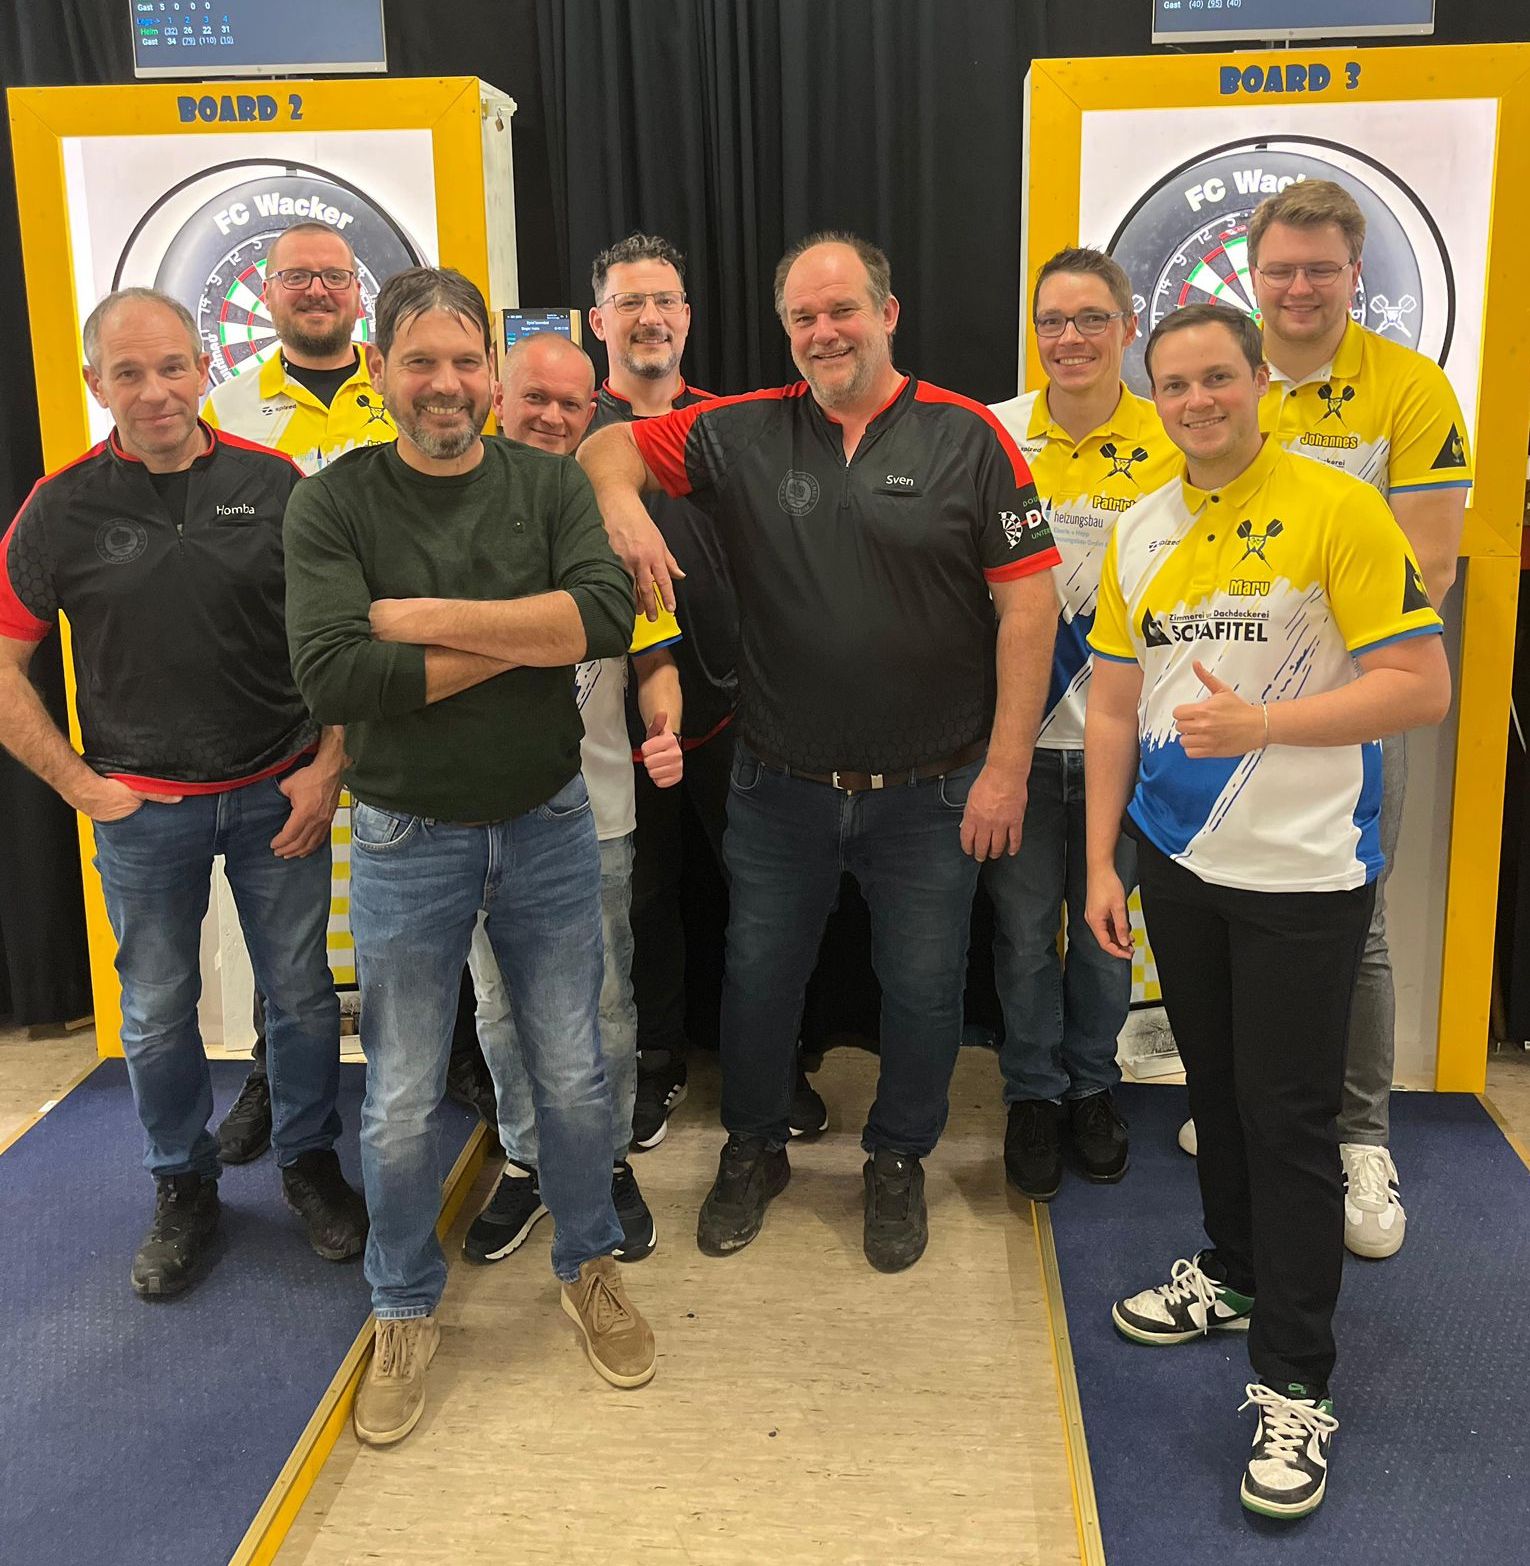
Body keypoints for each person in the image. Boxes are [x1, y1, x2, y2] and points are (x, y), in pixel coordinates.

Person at [579, 232, 1060, 1273]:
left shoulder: (971, 436)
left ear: (888, 314)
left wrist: (1007, 768)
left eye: (842, 310)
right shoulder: (741, 431)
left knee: (923, 989)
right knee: (758, 977)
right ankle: (753, 1147)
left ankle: (898, 1159)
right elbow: (605, 451)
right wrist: (621, 506)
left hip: (932, 789)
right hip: (780, 781)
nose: (823, 331)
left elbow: (1029, 609)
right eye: (803, 317)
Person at [1084, 303, 1449, 1518]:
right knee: (1218, 1094)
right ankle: (1234, 1274)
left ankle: (1297, 1384)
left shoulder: (1340, 509)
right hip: (1182, 864)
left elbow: (1420, 686)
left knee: (1289, 1123)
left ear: (1256, 383)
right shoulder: (1141, 527)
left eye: (1218, 378)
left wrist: (1266, 725)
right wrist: (1104, 863)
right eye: (1176, 385)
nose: (1198, 401)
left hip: (1303, 874)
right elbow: (1114, 707)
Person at [283, 268, 656, 1448]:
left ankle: (588, 1263)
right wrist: (525, 635)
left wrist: (416, 618)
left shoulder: (551, 482)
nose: (445, 384)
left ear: (490, 375)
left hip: (548, 822)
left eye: (463, 362)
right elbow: (335, 677)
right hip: (405, 836)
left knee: (576, 1070)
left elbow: (604, 619)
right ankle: (402, 1306)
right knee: (398, 1098)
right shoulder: (333, 505)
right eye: (420, 362)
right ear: (380, 371)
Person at [0, 287, 366, 1298]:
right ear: (96, 384)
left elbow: (341, 634)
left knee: (301, 997)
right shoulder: (58, 507)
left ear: (205, 367)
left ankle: (308, 1161)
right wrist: (80, 785)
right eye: (130, 373)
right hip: (142, 813)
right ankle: (182, 1184)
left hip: (276, 798)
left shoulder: (277, 484)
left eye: (172, 367)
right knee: (159, 1013)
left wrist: (328, 766)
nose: (156, 391)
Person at [1234, 180, 1470, 1260]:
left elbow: (1430, 564)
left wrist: (1295, 668)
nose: (1298, 287)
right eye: (1280, 268)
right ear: (1252, 273)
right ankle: (1258, 1112)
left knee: (1354, 917)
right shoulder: (1224, 374)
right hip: (1226, 699)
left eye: (1320, 268)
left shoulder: (1411, 389)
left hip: (1352, 701)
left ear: (1354, 272)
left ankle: (1362, 1138)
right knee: (1232, 901)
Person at [458, 331, 682, 1267]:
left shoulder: (617, 522)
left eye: (570, 404)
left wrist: (662, 725)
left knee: (604, 1002)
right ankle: (524, 1160)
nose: (551, 416)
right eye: (534, 399)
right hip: (474, 807)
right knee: (499, 1005)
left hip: (595, 810)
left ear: (594, 411)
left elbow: (655, 655)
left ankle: (605, 1160)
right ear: (497, 400)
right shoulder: (450, 511)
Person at [202, 219, 399, 1165]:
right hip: (275, 697)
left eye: (334, 276)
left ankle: (440, 1056)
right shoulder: (228, 407)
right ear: (267, 293)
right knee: (282, 912)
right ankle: (272, 1075)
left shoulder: (403, 391)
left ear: (359, 292)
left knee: (412, 893)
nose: (317, 291)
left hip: (402, 685)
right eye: (297, 277)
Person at [987, 247, 1179, 1201]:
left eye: (1092, 318)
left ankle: (1094, 1087)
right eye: (1053, 321)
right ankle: (1032, 1094)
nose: (1071, 338)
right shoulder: (993, 432)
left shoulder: (1174, 435)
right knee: (1024, 935)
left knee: (1107, 933)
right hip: (1018, 745)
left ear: (1128, 327)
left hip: (1126, 746)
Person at [585, 233, 777, 1149]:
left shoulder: (732, 427)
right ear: (599, 321)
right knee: (640, 898)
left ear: (689, 317)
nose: (649, 317)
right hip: (605, 720)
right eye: (629, 302)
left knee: (762, 895)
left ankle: (766, 1064)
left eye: (664, 300)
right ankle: (654, 1061)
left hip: (740, 707)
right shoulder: (565, 424)